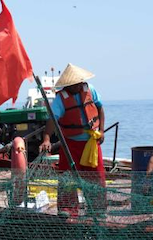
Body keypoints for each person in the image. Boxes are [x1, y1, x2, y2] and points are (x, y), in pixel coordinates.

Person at [40, 64, 105, 217]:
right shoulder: (60, 99)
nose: (78, 86)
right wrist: (46, 139)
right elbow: (52, 120)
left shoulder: (90, 90)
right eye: (74, 84)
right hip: (70, 145)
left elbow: (100, 108)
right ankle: (68, 211)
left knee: (97, 177)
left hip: (91, 143)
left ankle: (98, 211)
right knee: (67, 178)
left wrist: (101, 130)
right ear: (68, 84)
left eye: (79, 82)